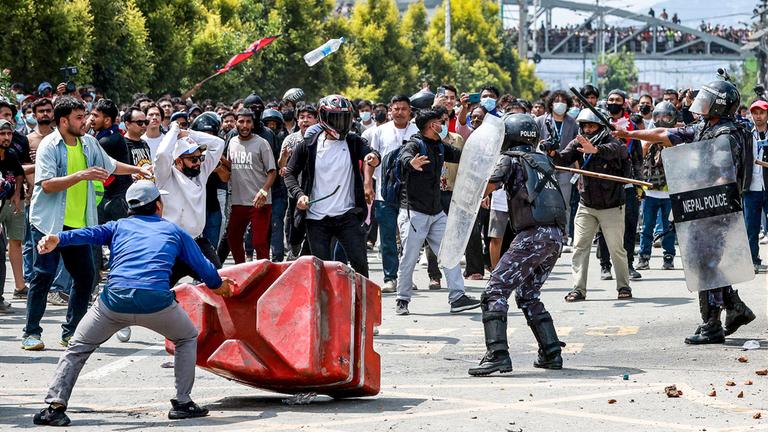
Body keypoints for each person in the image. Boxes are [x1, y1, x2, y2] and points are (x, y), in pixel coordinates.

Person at [31, 180, 236, 426]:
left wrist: (58, 239)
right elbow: (206, 270)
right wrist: (220, 286)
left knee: (77, 347)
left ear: (130, 208)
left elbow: (88, 233)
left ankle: (55, 407)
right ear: (158, 206)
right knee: (186, 337)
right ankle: (182, 403)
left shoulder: (117, 227)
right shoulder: (174, 231)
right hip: (156, 303)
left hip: (113, 303)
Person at [614, 77, 756, 344]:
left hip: (719, 208)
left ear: (719, 106)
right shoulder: (704, 127)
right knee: (704, 263)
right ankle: (733, 309)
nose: (701, 105)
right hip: (701, 205)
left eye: (709, 100)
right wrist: (629, 134)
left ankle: (712, 324)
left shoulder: (728, 134)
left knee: (707, 265)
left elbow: (721, 175)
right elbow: (663, 135)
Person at [22, 96, 151, 351]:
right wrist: (82, 175)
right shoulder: (50, 145)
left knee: (85, 277)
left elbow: (111, 166)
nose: (86, 122)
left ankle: (71, 332)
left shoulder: (89, 143)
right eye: (79, 118)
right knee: (43, 276)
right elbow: (47, 185)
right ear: (63, 120)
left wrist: (138, 171)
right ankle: (31, 333)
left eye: (86, 116)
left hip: (79, 226)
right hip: (49, 224)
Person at [468, 114, 567, 376]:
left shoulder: (510, 159)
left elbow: (489, 184)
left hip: (533, 236)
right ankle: (551, 352)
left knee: (494, 292)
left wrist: (469, 190)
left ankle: (498, 354)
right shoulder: (543, 161)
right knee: (527, 294)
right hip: (555, 236)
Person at [394, 109, 481, 315]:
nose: (442, 126)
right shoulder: (414, 144)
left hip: (436, 212)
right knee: (409, 256)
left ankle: (458, 297)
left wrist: (483, 154)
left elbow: (461, 155)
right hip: (414, 213)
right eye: (439, 122)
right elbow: (403, 157)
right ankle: (402, 299)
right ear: (431, 126)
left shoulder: (439, 146)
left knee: (449, 253)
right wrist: (410, 162)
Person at [284, 95, 380, 277]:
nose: (341, 123)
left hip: (347, 216)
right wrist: (299, 195)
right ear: (323, 118)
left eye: (344, 118)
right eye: (336, 118)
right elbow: (289, 174)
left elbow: (372, 154)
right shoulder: (308, 145)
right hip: (316, 219)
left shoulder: (353, 141)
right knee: (323, 270)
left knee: (360, 264)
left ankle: (362, 304)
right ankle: (326, 305)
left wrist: (373, 158)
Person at [547, 108, 632, 302]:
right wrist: (552, 152)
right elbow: (563, 158)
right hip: (586, 205)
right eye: (585, 126)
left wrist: (596, 150)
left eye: (592, 125)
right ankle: (578, 289)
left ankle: (623, 286)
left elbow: (619, 151)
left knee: (616, 249)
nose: (588, 129)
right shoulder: (578, 141)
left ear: (601, 127)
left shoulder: (612, 141)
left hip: (612, 205)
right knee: (579, 246)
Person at [154, 117, 225, 285]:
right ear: (178, 161)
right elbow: (163, 154)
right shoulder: (165, 176)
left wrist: (189, 133)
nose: (198, 163)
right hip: (172, 245)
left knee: (220, 283)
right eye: (193, 159)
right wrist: (174, 131)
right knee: (157, 290)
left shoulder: (202, 173)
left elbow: (218, 144)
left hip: (197, 243)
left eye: (199, 158)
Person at [365, 96, 419, 292]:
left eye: (404, 109)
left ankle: (407, 277)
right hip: (384, 193)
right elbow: (371, 160)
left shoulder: (417, 131)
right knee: (387, 237)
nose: (400, 112)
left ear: (409, 110)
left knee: (409, 238)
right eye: (396, 108)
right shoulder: (379, 132)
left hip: (411, 193)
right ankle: (390, 277)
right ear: (390, 110)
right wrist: (367, 185)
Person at [226, 109, 276, 263]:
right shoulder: (232, 142)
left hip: (259, 201)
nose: (245, 125)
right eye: (241, 121)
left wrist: (264, 190)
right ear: (236, 123)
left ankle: (264, 276)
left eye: (248, 122)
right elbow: (229, 167)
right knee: (233, 238)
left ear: (253, 124)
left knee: (259, 242)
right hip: (238, 201)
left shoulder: (262, 143)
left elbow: (272, 171)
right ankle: (241, 270)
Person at [636, 101, 678, 271]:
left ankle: (669, 257)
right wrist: (649, 139)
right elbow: (641, 153)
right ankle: (644, 256)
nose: (662, 120)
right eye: (659, 116)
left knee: (669, 227)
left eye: (666, 116)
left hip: (670, 191)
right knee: (647, 227)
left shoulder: (676, 136)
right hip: (651, 191)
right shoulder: (648, 136)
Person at [0, 119, 25, 313]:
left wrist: (17, 194)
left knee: (13, 244)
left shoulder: (11, 154)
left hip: (12, 203)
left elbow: (19, 174)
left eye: (9, 134)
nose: (6, 138)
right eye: (2, 134)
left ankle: (18, 287)